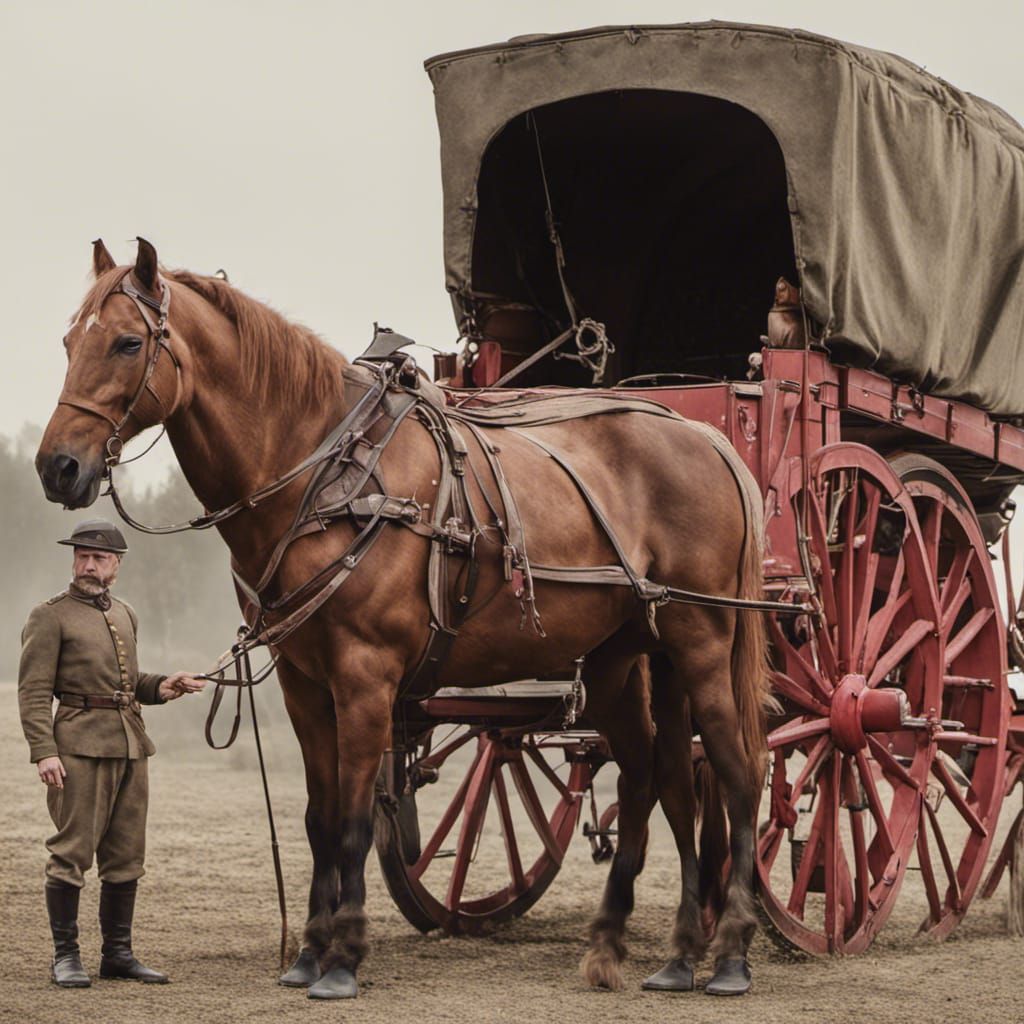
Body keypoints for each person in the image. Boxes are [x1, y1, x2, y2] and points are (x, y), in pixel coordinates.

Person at [18, 519, 206, 988]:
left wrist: (163, 686)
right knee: (71, 853)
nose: (87, 564)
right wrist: (44, 751)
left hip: (129, 745)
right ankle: (65, 956)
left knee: (126, 857)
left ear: (116, 566)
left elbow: (127, 685)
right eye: (81, 555)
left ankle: (117, 955)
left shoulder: (125, 613)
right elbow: (34, 691)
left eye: (98, 558)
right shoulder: (50, 615)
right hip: (77, 747)